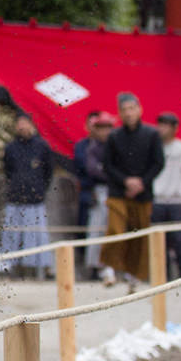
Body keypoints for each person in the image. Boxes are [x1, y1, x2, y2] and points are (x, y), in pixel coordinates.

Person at [100, 93, 164, 286]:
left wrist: (141, 182)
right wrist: (126, 181)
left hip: (143, 192)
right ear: (119, 113)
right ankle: (109, 267)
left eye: (131, 108)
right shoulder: (114, 136)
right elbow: (108, 165)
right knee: (116, 230)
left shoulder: (152, 134)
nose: (128, 113)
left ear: (139, 109)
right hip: (119, 192)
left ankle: (133, 274)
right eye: (124, 110)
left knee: (139, 234)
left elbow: (158, 162)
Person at [2, 113, 54, 276]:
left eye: (26, 123)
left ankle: (40, 268)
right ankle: (9, 267)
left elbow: (48, 172)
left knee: (37, 234)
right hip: (15, 196)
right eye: (20, 123)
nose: (23, 127)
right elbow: (8, 171)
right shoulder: (10, 148)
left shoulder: (42, 146)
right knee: (12, 234)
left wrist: (39, 189)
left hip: (35, 198)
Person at [72, 111, 114, 278]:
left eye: (106, 127)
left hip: (115, 191)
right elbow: (91, 169)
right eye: (100, 127)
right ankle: (94, 266)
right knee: (94, 229)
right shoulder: (89, 147)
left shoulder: (115, 145)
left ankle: (111, 266)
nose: (103, 131)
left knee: (113, 229)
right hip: (94, 191)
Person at [151, 112, 181, 279]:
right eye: (160, 125)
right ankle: (163, 277)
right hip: (157, 200)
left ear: (175, 128)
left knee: (180, 240)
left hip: (177, 201)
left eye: (166, 125)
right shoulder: (152, 148)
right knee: (160, 243)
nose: (162, 129)